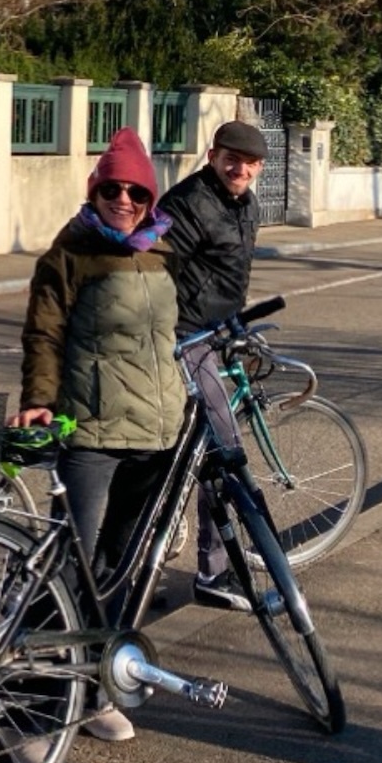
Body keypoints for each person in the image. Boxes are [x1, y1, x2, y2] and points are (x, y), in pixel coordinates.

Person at [11, 126, 186, 746]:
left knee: (119, 569)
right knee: (68, 571)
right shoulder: (71, 253)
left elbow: (168, 340)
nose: (122, 200)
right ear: (94, 190)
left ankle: (89, 690)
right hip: (91, 431)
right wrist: (37, 398)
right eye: (110, 188)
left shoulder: (161, 253)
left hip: (155, 434)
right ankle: (25, 711)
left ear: (149, 196)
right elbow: (44, 335)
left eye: (134, 191)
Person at [156, 117, 267, 612]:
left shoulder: (247, 205)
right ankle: (212, 573)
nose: (239, 168)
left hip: (213, 333)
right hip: (183, 337)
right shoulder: (188, 204)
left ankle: (154, 556)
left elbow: (230, 273)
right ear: (212, 155)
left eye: (249, 162)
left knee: (179, 452)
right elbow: (156, 271)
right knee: (222, 447)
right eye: (231, 158)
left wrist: (237, 325)